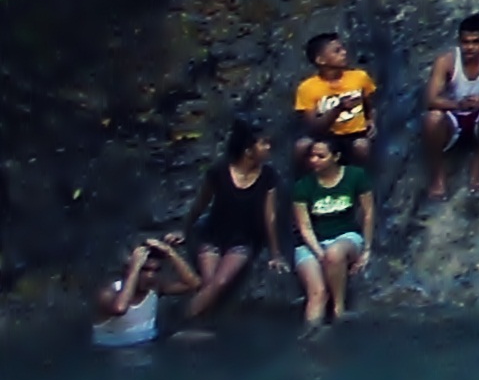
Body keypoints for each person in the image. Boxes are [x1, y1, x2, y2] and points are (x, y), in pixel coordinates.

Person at [182, 121, 283, 321]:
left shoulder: (268, 175)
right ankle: (199, 330)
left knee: (219, 283)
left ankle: (182, 326)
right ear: (248, 150)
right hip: (213, 234)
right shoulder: (219, 172)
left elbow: (269, 215)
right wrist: (184, 229)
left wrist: (275, 253)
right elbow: (200, 204)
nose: (268, 148)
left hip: (243, 239)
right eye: (263, 144)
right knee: (209, 283)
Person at [419, 13, 479, 199]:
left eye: (476, 42)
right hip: (454, 115)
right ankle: (438, 175)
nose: (469, 47)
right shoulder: (446, 61)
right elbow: (431, 99)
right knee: (432, 118)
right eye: (465, 42)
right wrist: (456, 104)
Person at [283, 132, 375, 322]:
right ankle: (310, 341)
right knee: (317, 293)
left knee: (335, 253)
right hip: (311, 244)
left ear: (336, 157)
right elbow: (304, 226)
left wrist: (366, 249)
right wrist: (319, 253)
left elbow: (368, 212)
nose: (314, 160)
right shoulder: (303, 186)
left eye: (321, 156)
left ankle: (338, 310)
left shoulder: (355, 176)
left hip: (346, 237)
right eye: (312, 156)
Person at [91, 234, 200, 347]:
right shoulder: (108, 292)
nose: (150, 276)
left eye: (155, 270)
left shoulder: (156, 288)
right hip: (113, 351)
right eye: (145, 269)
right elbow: (120, 308)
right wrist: (135, 267)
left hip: (148, 344)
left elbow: (193, 284)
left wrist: (170, 252)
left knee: (201, 337)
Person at [291, 31, 379, 164]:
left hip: (355, 134)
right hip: (327, 136)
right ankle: (307, 182)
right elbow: (314, 127)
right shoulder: (308, 87)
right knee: (302, 146)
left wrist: (372, 121)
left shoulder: (359, 77)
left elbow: (370, 105)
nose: (344, 53)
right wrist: (338, 109)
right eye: (337, 51)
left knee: (361, 146)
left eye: (343, 48)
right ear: (321, 60)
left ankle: (360, 179)